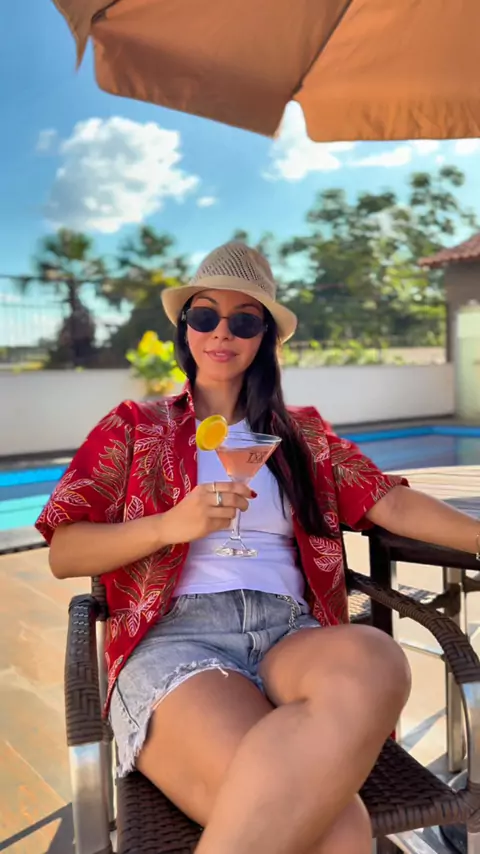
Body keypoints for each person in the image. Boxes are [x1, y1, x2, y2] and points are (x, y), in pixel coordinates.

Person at [36, 241, 480, 854]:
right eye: (205, 315)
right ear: (185, 328)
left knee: (376, 657)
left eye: (245, 320)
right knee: (339, 829)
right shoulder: (136, 427)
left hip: (292, 632)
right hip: (177, 639)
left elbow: (390, 502)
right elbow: (65, 552)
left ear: (265, 337)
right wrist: (168, 525)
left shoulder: (302, 434)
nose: (222, 331)